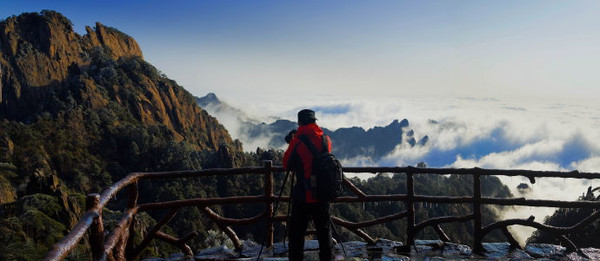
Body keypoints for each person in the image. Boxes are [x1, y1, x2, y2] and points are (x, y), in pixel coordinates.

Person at [283, 109, 333, 261]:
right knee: (324, 232)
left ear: (300, 123)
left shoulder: (297, 142)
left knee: (297, 234)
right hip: (323, 194)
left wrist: (292, 141)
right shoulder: (326, 140)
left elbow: (287, 164)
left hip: (304, 195)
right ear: (315, 121)